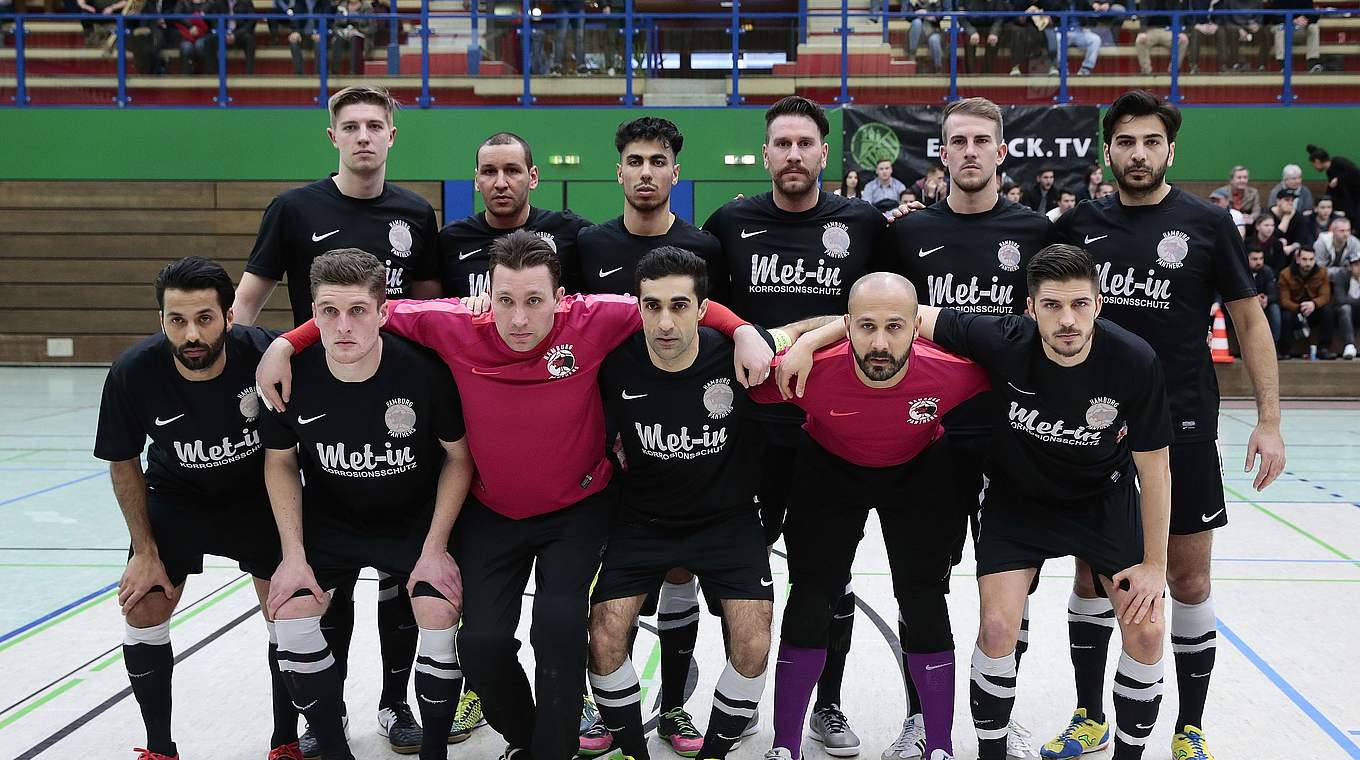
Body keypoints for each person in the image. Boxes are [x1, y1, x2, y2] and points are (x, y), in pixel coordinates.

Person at [254, 230, 776, 760]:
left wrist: (742, 331)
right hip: (493, 511)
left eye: (534, 301)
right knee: (479, 648)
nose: (520, 318)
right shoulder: (453, 323)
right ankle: (527, 739)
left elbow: (674, 303)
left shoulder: (597, 317)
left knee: (558, 626)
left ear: (561, 297)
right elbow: (362, 310)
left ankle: (552, 751)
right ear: (488, 295)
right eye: (505, 300)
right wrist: (286, 343)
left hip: (577, 509)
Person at [1047, 90, 1284, 760]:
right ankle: (1090, 716)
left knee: (1187, 581)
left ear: (1170, 149)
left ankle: (1190, 726)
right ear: (1108, 150)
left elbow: (1249, 322)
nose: (1138, 153)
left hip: (1181, 427)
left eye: (1151, 142)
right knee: (1092, 577)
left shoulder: (1208, 224)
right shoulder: (1078, 226)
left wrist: (1269, 419)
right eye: (1125, 142)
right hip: (1095, 431)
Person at [232, 85, 443, 756]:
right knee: (329, 579)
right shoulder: (295, 209)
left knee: (401, 580)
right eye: (349, 125)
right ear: (332, 137)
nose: (362, 136)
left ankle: (393, 705)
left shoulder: (415, 212)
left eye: (374, 125)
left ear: (391, 136)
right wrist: (274, 355)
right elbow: (246, 307)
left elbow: (429, 314)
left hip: (398, 409)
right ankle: (322, 720)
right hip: (322, 409)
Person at [701, 95, 901, 758]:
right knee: (739, 576)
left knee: (827, 576)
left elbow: (893, 312)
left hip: (833, 430)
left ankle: (829, 704)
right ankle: (743, 698)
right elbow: (707, 308)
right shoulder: (731, 222)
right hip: (749, 432)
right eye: (781, 144)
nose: (792, 155)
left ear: (824, 153)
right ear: (766, 154)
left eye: (804, 144)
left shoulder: (865, 225)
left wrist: (806, 337)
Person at [918, 245, 1172, 760]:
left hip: (1103, 497)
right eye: (1053, 306)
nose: (1068, 319)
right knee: (995, 627)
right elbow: (907, 312)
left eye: (1080, 304)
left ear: (1099, 303)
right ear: (1030, 309)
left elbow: (1156, 468)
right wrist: (805, 341)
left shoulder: (1134, 359)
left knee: (1146, 632)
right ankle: (992, 752)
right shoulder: (1003, 338)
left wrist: (1155, 564)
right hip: (1018, 499)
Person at [752, 272, 991, 760]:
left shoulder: (954, 370)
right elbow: (730, 376)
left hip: (919, 470)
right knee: (810, 598)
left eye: (895, 327)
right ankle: (784, 746)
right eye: (865, 327)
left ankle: (940, 746)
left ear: (917, 327)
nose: (880, 343)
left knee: (923, 599)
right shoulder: (805, 370)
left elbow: (1030, 364)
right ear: (846, 326)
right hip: (828, 469)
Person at [883, 95, 1054, 760]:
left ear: (1002, 151)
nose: (972, 151)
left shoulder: (1037, 234)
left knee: (1014, 588)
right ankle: (924, 719)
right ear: (943, 152)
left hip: (1014, 438)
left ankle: (995, 716)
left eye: (984, 140)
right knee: (920, 582)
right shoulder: (907, 235)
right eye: (959, 140)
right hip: (926, 437)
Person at [260, 250, 473, 760]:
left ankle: (432, 748)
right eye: (329, 312)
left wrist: (436, 547)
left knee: (436, 607)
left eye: (358, 310)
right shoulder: (290, 377)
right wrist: (292, 555)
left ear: (383, 311)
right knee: (290, 613)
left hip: (412, 523)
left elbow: (459, 459)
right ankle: (334, 747)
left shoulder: (422, 373)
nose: (343, 326)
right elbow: (280, 462)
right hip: (333, 522)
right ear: (313, 313)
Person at [94, 257, 296, 760]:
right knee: (143, 604)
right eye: (177, 320)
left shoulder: (265, 356)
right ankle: (159, 747)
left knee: (291, 611)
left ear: (229, 316)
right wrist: (143, 550)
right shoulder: (132, 373)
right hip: (176, 498)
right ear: (160, 320)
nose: (191, 334)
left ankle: (287, 741)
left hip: (256, 497)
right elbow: (123, 462)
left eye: (204, 318)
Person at [589, 247, 780, 760]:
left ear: (702, 308)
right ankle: (635, 751)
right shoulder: (614, 362)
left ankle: (714, 752)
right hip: (641, 520)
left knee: (754, 641)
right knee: (604, 638)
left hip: (728, 519)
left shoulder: (735, 355)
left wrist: (747, 332)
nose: (664, 321)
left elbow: (826, 325)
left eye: (678, 305)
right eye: (652, 306)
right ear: (638, 306)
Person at [575, 117, 728, 755]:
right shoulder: (586, 245)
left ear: (674, 171)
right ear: (619, 170)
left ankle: (673, 710)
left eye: (657, 161)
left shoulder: (705, 248)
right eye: (634, 160)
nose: (645, 172)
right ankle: (598, 703)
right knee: (608, 577)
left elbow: (720, 325)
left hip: (685, 433)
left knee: (679, 572)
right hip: (607, 427)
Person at [438, 131, 591, 298]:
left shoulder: (571, 232)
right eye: (489, 172)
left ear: (533, 177)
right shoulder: (450, 240)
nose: (500, 183)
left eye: (512, 170)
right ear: (476, 180)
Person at [1277, 247, 1334, 358]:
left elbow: (1326, 296)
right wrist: (1299, 307)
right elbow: (1284, 300)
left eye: (1311, 259)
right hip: (1295, 310)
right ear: (1298, 259)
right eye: (1304, 259)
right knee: (1285, 316)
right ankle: (1285, 351)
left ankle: (1324, 349)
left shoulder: (1322, 272)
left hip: (1314, 309)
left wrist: (1313, 304)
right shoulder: (1285, 274)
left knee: (1328, 311)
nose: (1308, 263)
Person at [1307, 144, 1360, 222]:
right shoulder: (1330, 171)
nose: (1314, 167)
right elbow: (1332, 189)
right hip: (1349, 204)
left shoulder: (1338, 162)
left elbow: (1355, 172)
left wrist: (1339, 179)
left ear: (1317, 161)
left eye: (1314, 164)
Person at [1246, 248, 1282, 348]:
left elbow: (1275, 294)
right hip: (1246, 303)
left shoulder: (1267, 271)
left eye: (1261, 258)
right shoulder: (1242, 271)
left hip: (1264, 304)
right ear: (1247, 258)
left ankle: (1275, 346)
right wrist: (1254, 299)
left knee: (1275, 309)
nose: (1259, 262)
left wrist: (1266, 298)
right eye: (1255, 259)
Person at [1330, 250, 1360, 359]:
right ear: (1350, 266)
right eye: (1357, 265)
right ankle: (1349, 345)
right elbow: (1340, 299)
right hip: (1343, 315)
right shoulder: (1341, 275)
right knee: (1345, 308)